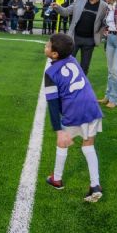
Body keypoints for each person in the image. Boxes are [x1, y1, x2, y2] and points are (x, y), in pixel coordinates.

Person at [43, 33, 104, 202]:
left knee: (62, 143)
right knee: (88, 145)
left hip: (74, 110)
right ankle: (95, 184)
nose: (45, 47)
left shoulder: (50, 72)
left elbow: (53, 104)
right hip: (92, 105)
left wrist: (58, 130)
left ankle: (57, 178)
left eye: (48, 45)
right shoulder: (72, 59)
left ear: (55, 54)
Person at [52, 0, 109, 76]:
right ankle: (65, 84)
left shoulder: (104, 6)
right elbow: (66, 12)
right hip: (74, 38)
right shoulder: (79, 0)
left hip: (90, 41)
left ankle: (81, 87)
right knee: (66, 64)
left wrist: (99, 36)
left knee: (84, 67)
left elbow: (104, 24)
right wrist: (57, 7)